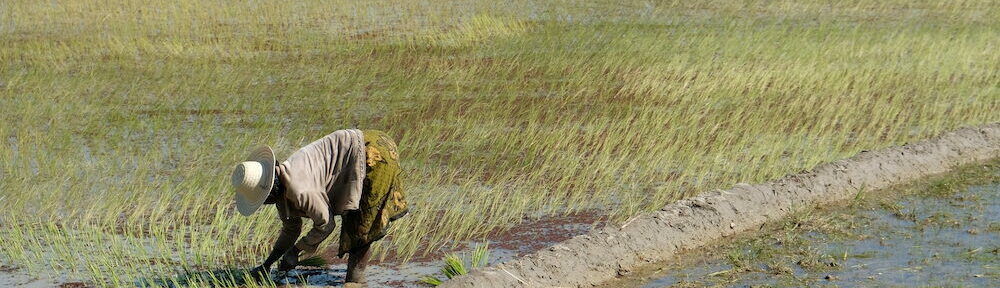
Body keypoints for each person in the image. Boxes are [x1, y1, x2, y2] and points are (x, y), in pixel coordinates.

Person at [230, 129, 408, 284]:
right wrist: (267, 265)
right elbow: (291, 229)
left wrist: (295, 251)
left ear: (269, 191)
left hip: (373, 153)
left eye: (263, 199)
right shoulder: (281, 184)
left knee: (360, 225)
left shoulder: (300, 188)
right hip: (362, 146)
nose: (264, 204)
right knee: (354, 219)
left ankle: (356, 281)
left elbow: (326, 224)